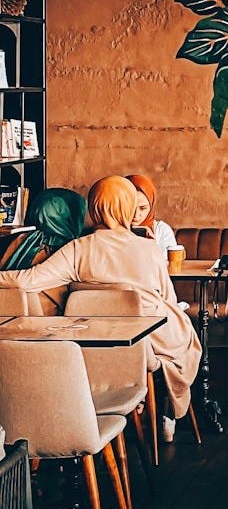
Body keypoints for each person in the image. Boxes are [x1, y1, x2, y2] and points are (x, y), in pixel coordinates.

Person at [0, 176, 202, 432]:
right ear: (127, 207)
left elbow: (26, 280)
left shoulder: (77, 249)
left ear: (93, 206)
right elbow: (167, 299)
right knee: (184, 330)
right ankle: (166, 413)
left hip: (95, 347)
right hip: (154, 338)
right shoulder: (149, 248)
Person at [126, 173, 177, 261]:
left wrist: (153, 247)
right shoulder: (109, 230)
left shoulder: (161, 230)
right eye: (131, 207)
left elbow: (169, 267)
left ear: (151, 206)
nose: (136, 214)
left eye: (143, 208)